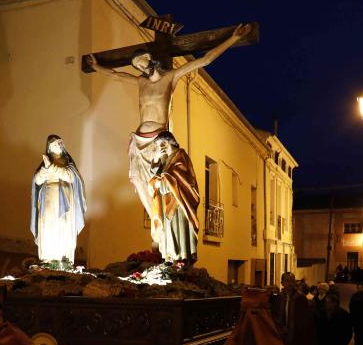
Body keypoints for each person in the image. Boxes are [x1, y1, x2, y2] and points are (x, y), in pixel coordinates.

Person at [87, 25, 251, 218]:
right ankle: (155, 219)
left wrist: (233, 38)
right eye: (137, 66)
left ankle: (164, 219)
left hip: (159, 139)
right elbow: (116, 75)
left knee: (161, 182)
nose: (140, 67)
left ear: (150, 59)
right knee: (138, 180)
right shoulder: (141, 82)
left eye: (141, 62)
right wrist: (96, 67)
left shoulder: (170, 77)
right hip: (139, 140)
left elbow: (205, 60)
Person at [31, 135, 87, 263]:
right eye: (55, 144)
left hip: (64, 201)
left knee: (62, 226)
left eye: (60, 143)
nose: (59, 146)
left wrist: (52, 168)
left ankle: (62, 257)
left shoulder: (67, 162)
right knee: (48, 226)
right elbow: (37, 180)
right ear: (49, 148)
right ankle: (48, 256)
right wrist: (46, 169)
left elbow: (71, 177)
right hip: (47, 200)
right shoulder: (44, 164)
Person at [146, 131, 200, 261]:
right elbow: (155, 174)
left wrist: (162, 183)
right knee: (168, 231)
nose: (161, 147)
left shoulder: (180, 156)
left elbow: (181, 178)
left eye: (163, 143)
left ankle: (181, 259)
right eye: (159, 145)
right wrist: (156, 160)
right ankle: (170, 258)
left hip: (179, 202)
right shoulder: (166, 160)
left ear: (170, 142)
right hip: (167, 202)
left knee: (177, 230)